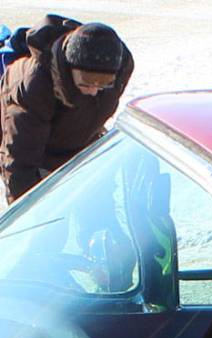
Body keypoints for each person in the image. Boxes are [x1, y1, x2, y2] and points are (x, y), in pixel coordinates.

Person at [0, 16, 133, 202]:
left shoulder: (120, 67)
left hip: (79, 149)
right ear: (69, 68)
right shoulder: (35, 84)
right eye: (86, 82)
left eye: (104, 83)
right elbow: (20, 161)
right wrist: (30, 216)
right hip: (39, 154)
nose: (94, 91)